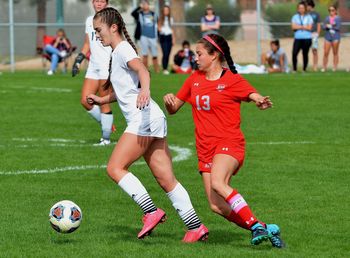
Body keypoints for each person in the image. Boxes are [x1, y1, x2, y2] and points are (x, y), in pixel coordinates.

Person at [87, 7, 209, 242]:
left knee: (115, 168)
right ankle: (195, 227)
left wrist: (146, 90)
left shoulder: (122, 49)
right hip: (152, 118)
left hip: (142, 119)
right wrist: (103, 99)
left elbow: (142, 70)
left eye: (99, 30)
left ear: (113, 27)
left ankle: (151, 211)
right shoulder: (119, 51)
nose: (97, 35)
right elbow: (126, 89)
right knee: (166, 180)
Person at [163, 33, 285, 248]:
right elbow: (174, 109)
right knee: (216, 205)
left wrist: (259, 100)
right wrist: (169, 101)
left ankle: (256, 227)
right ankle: (263, 226)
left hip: (229, 143)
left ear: (214, 56)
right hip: (205, 148)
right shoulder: (193, 80)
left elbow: (252, 94)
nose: (196, 58)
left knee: (219, 183)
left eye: (199, 54)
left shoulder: (232, 80)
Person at [71, 0, 114, 146]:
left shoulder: (111, 19)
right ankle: (107, 124)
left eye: (102, 1)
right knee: (85, 100)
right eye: (97, 1)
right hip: (93, 65)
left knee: (103, 103)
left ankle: (106, 139)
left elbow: (119, 41)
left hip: (106, 66)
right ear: (92, 3)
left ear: (107, 3)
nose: (99, 4)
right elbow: (87, 44)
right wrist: (78, 60)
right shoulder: (90, 20)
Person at [131, 0, 159, 73]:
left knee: (154, 54)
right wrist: (139, 7)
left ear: (148, 5)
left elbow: (157, 24)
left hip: (153, 37)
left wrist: (157, 36)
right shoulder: (140, 14)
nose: (145, 5)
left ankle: (157, 70)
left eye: (146, 4)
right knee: (145, 54)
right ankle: (145, 70)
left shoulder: (153, 14)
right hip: (143, 36)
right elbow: (133, 13)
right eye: (143, 4)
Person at [291, 1, 313, 72]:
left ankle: (304, 68)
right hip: (298, 38)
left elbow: (310, 28)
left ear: (305, 9)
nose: (301, 9)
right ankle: (294, 69)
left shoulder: (309, 17)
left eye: (302, 8)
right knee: (294, 53)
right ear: (298, 9)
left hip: (307, 38)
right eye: (300, 8)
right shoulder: (294, 17)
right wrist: (303, 26)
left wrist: (299, 26)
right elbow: (293, 27)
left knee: (305, 54)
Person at [321, 5, 341, 72]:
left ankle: (335, 67)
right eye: (330, 10)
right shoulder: (327, 18)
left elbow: (338, 27)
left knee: (335, 52)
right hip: (328, 36)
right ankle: (324, 67)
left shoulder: (338, 18)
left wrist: (329, 26)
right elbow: (323, 27)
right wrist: (329, 26)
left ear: (335, 11)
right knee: (326, 52)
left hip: (335, 37)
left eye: (332, 10)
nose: (331, 12)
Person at [158, 5, 175, 75]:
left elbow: (172, 29)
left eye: (167, 10)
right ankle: (164, 68)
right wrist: (163, 31)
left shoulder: (171, 19)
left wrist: (173, 38)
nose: (166, 11)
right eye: (165, 10)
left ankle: (166, 68)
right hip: (163, 36)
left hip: (169, 37)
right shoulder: (160, 19)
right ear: (163, 11)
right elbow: (158, 28)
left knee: (168, 53)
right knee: (165, 53)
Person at [306, 0, 321, 71]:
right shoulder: (305, 14)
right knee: (305, 50)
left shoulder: (316, 14)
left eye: (307, 5)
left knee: (314, 50)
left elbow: (318, 24)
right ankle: (305, 66)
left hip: (314, 34)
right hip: (306, 34)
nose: (306, 7)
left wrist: (317, 33)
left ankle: (315, 66)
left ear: (310, 5)